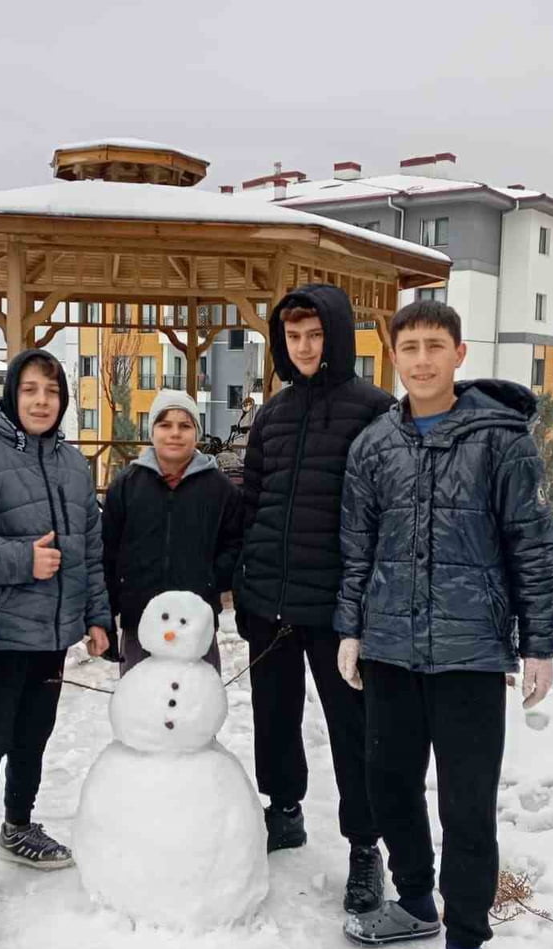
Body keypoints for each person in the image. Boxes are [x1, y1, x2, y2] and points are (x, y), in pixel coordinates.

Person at [334, 300, 553, 949]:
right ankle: (413, 900)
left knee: (468, 807)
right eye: (410, 348)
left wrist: (538, 640)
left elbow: (532, 543)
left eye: (436, 346)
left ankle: (465, 939)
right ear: (395, 357)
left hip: (471, 655)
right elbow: (358, 545)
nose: (423, 359)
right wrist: (351, 628)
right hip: (390, 652)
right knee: (389, 784)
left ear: (459, 354)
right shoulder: (374, 446)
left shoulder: (500, 439)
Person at [234, 283, 394, 915]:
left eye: (314, 335)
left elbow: (386, 511)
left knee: (353, 729)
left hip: (338, 608)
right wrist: (244, 580)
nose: (303, 347)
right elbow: (254, 505)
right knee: (274, 717)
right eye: (292, 336)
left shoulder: (374, 409)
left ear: (337, 334)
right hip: (269, 600)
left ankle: (364, 846)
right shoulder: (271, 415)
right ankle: (284, 809)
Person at [0, 348, 113, 908]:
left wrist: (96, 615)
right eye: (30, 390)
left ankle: (18, 826)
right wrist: (23, 560)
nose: (42, 401)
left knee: (33, 738)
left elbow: (89, 549)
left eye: (51, 390)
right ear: (11, 396)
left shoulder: (72, 464)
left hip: (53, 634)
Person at [102, 389, 243, 674]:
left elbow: (235, 544)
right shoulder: (126, 486)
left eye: (185, 425)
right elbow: (108, 552)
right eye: (165, 425)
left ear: (197, 433)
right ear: (152, 431)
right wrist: (107, 613)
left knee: (196, 708)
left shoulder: (220, 489)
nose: (174, 433)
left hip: (196, 623)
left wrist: (210, 582)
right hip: (139, 622)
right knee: (141, 708)